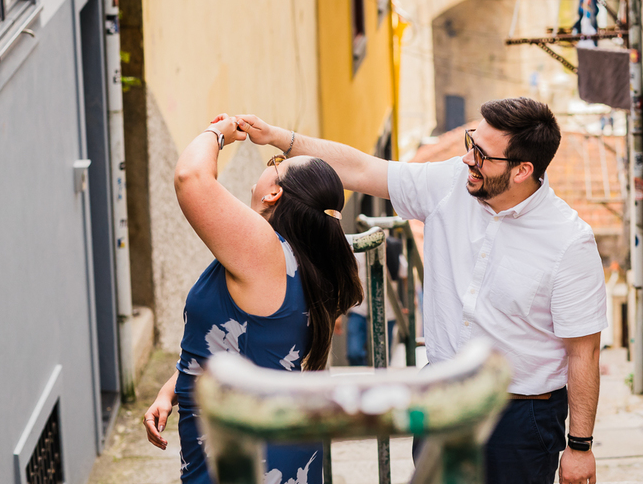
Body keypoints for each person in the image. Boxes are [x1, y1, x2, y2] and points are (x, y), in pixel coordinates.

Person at [237, 97, 607, 484]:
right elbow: (362, 169)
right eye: (471, 143)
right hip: (440, 399)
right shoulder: (450, 183)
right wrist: (279, 138)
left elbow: (584, 351)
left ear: (522, 170)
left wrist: (579, 447)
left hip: (519, 418)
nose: (467, 159)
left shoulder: (568, 242)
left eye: (482, 155)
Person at [141, 114, 363, 484]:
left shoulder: (265, 250)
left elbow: (191, 177)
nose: (268, 166)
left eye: (276, 163)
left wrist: (218, 133)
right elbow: (248, 345)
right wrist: (172, 388)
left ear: (274, 193)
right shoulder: (303, 259)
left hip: (249, 458)